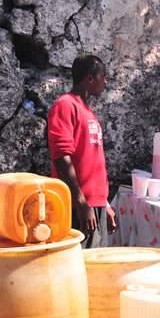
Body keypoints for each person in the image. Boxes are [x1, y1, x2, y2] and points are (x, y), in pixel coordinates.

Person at [48, 55, 117, 248]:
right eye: (103, 76)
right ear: (90, 78)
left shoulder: (89, 112)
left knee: (96, 266)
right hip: (77, 206)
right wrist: (81, 203)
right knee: (80, 266)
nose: (105, 81)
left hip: (95, 205)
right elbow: (61, 157)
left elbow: (94, 162)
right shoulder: (65, 105)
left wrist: (105, 204)